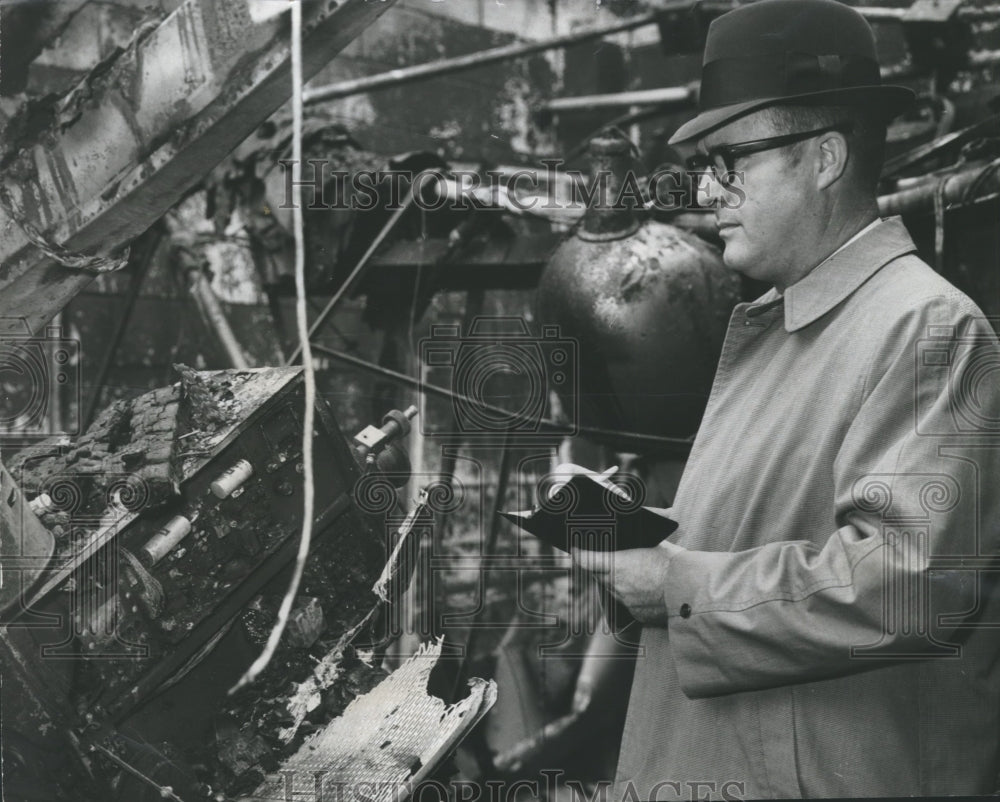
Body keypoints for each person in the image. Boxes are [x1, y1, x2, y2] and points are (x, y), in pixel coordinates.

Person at [571, 0, 1000, 797]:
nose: (710, 187)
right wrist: (652, 536)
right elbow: (771, 531)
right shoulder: (779, 326)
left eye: (733, 159)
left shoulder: (927, 328)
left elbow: (906, 584)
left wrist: (674, 585)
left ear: (825, 157)